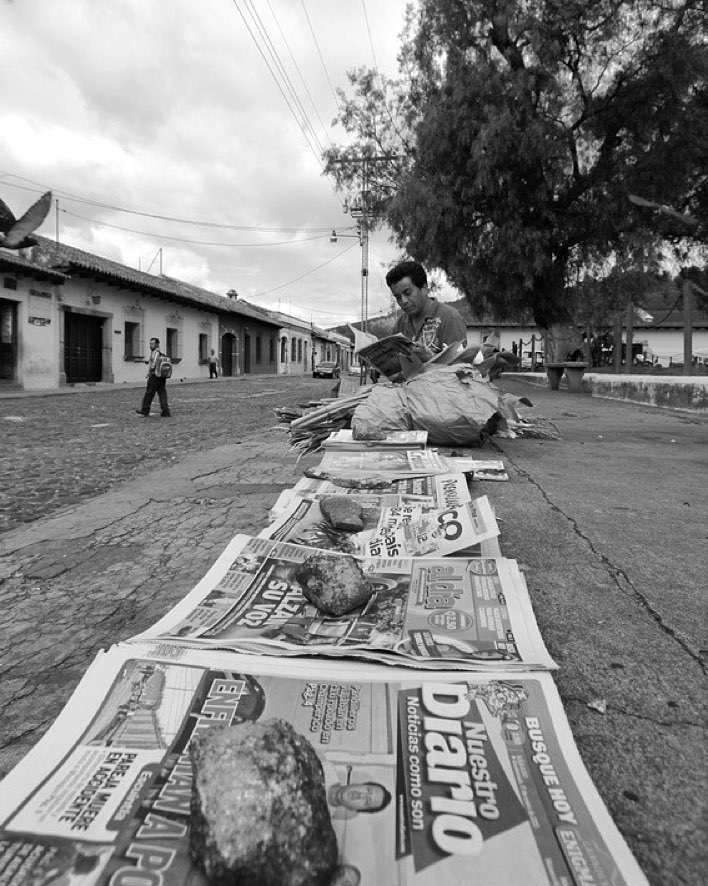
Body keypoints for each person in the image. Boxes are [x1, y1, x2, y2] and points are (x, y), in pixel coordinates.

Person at [386, 260, 467, 362]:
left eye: (407, 293)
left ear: (424, 287)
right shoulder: (400, 323)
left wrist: (430, 359)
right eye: (398, 297)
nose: (403, 301)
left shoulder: (449, 318)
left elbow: (460, 370)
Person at [136, 337, 170, 417]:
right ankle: (165, 411)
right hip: (161, 376)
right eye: (150, 343)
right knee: (162, 393)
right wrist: (147, 361)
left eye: (152, 343)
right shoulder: (159, 353)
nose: (150, 345)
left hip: (154, 376)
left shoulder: (155, 352)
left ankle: (145, 410)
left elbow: (153, 365)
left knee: (149, 393)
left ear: (157, 344)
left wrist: (150, 373)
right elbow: (154, 362)